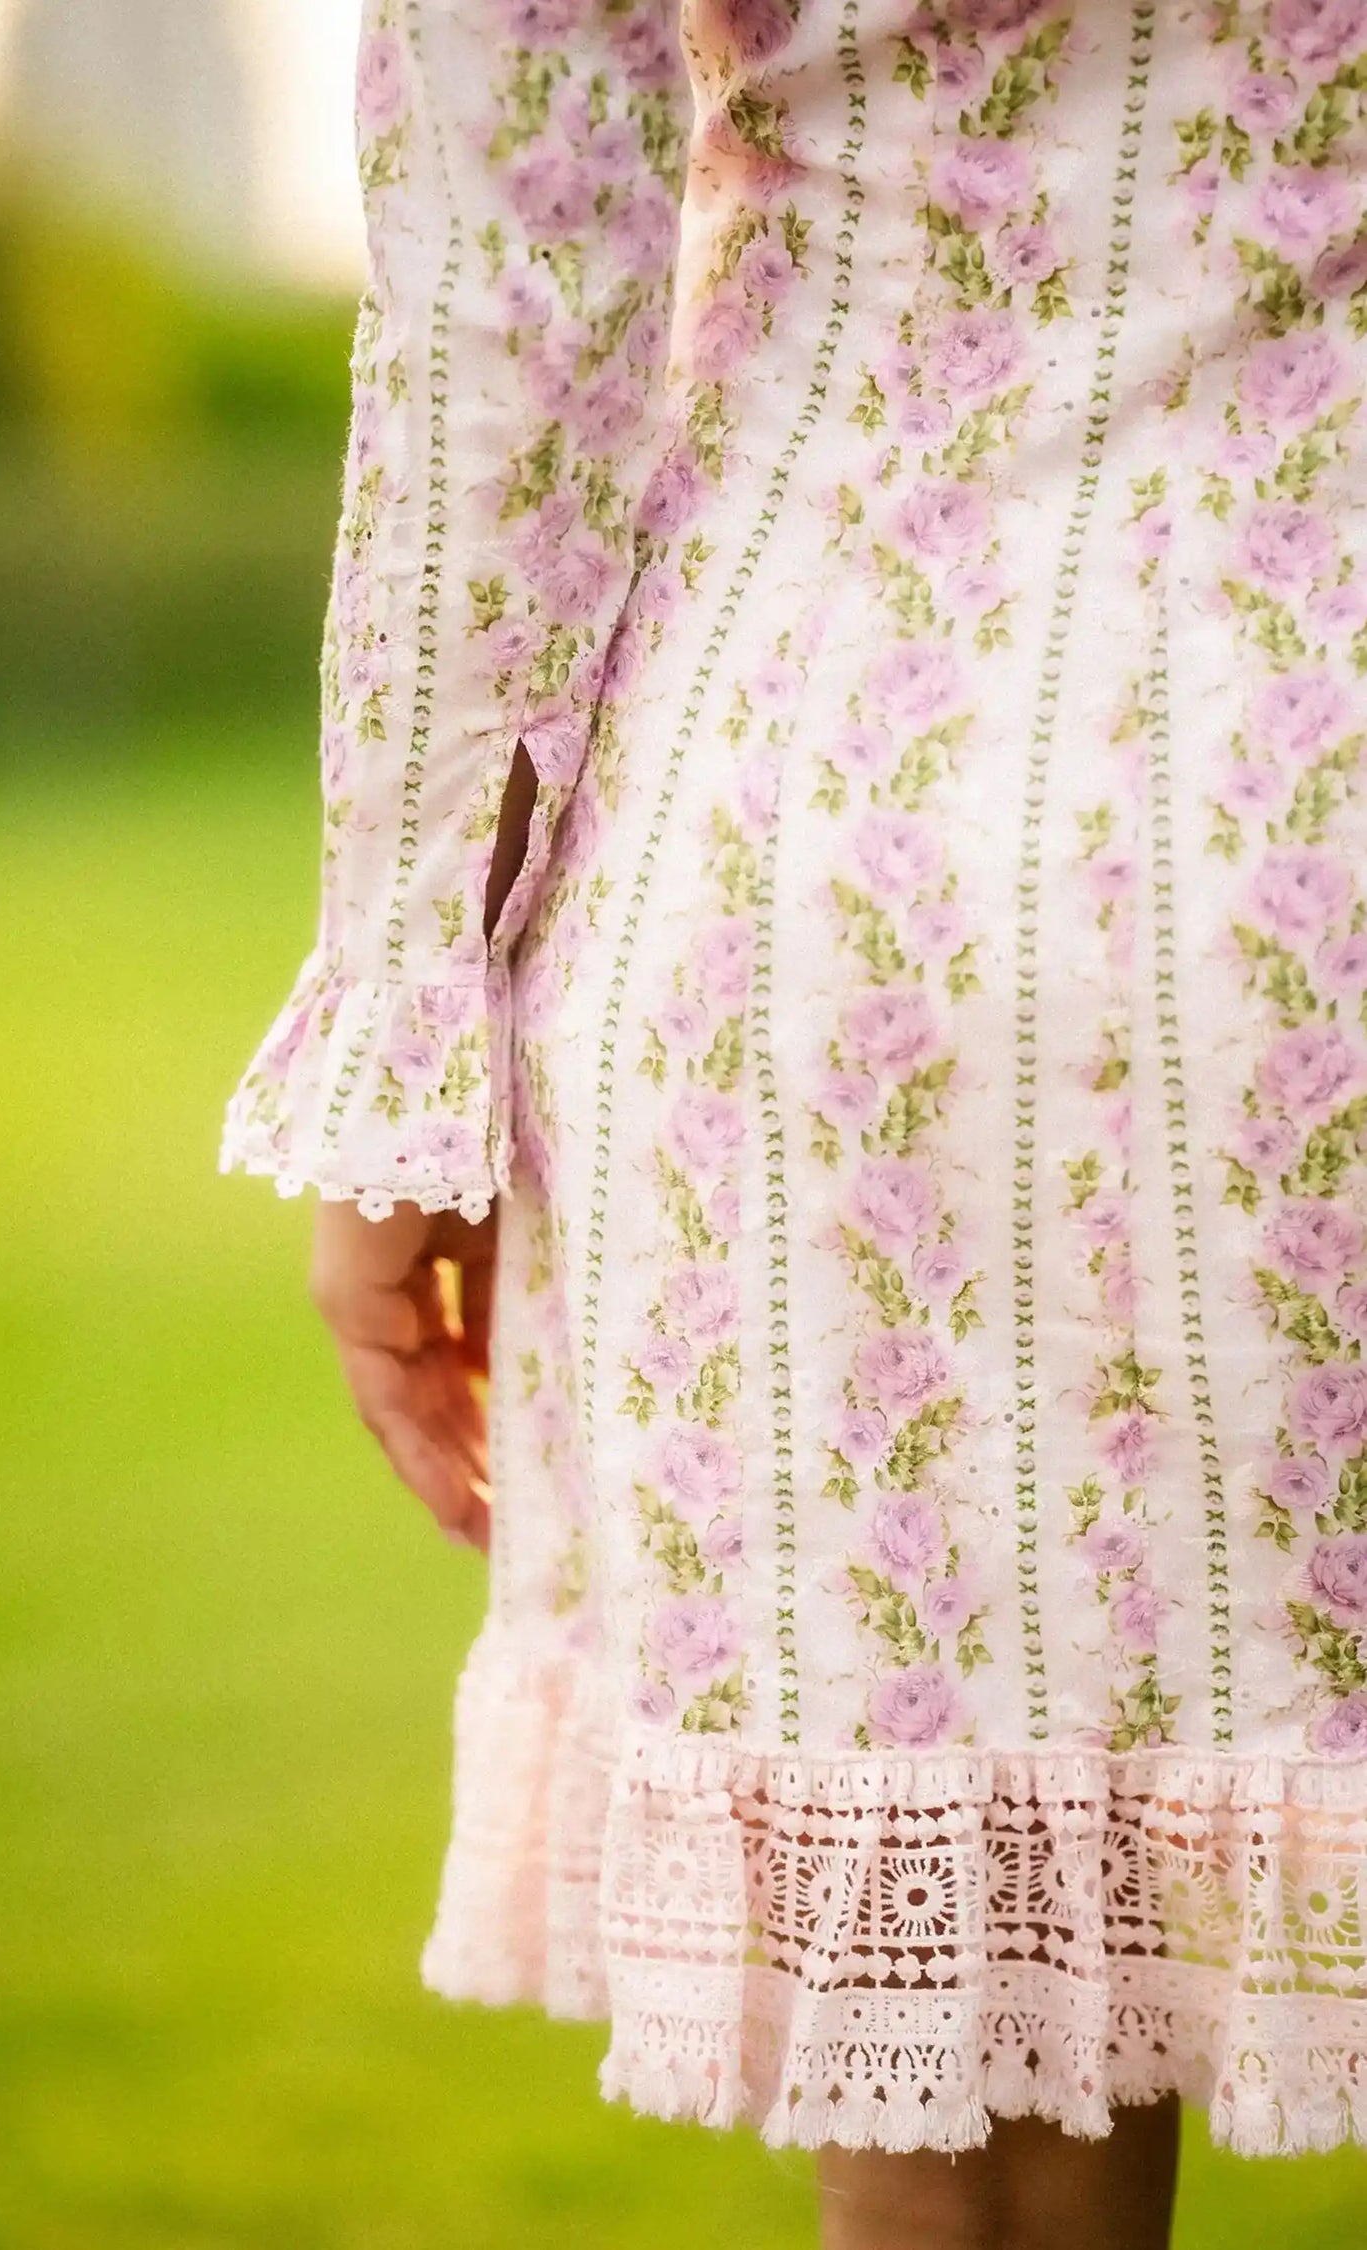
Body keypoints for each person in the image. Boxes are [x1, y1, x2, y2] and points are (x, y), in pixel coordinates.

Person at [223, 1, 1367, 2241]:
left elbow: (504, 326)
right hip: (1300, 811)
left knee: (971, 2148)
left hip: (827, 881)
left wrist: (402, 1044)